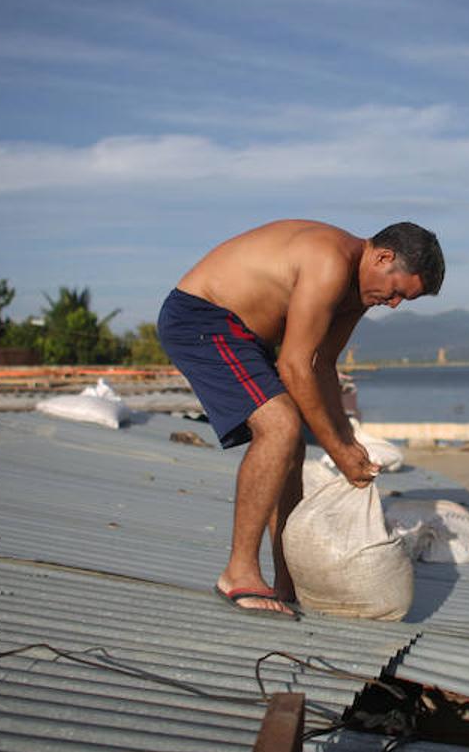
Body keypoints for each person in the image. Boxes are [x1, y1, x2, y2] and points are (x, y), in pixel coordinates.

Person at [157, 220, 445, 617]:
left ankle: (286, 579)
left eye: (403, 301)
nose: (393, 304)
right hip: (202, 317)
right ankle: (238, 571)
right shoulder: (329, 261)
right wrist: (337, 451)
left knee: (288, 442)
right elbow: (293, 366)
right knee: (280, 426)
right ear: (382, 256)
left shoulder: (359, 290)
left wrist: (349, 439)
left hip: (245, 336)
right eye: (397, 292)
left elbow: (322, 364)